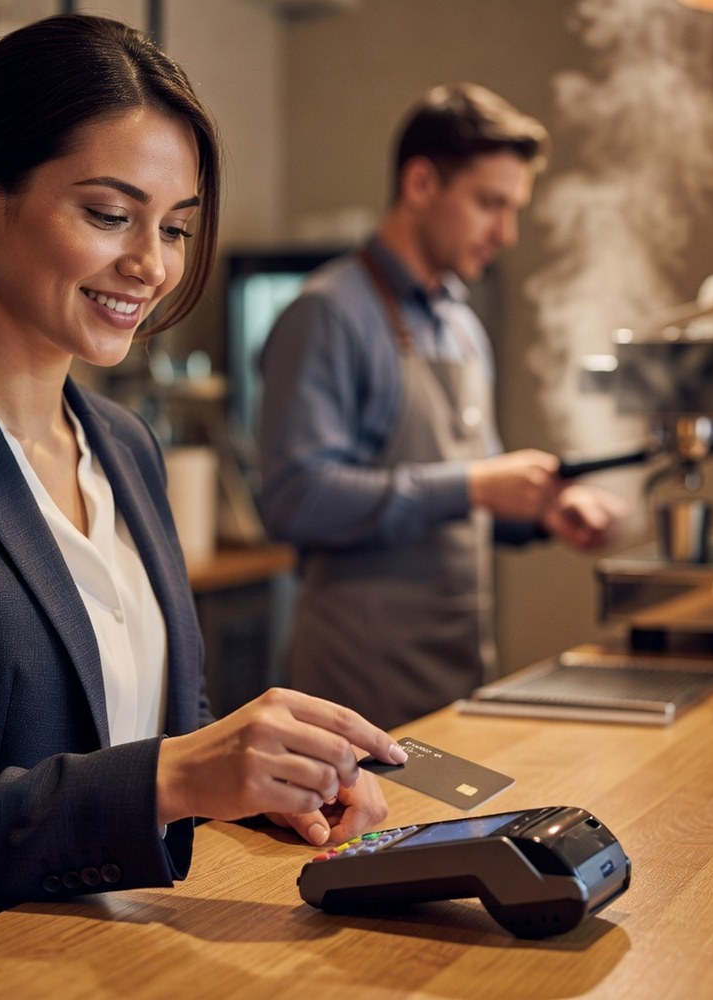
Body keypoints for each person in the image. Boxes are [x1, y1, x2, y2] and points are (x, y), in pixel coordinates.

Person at [0, 15, 406, 993]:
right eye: (110, 214)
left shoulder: (125, 446)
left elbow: (140, 732)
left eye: (176, 226)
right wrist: (184, 773)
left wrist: (266, 789)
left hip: (116, 957)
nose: (152, 262)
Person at [255, 83, 625, 729]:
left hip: (456, 682)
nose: (505, 233)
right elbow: (294, 498)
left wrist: (544, 510)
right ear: (421, 183)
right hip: (356, 697)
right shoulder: (328, 313)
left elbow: (469, 496)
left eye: (514, 209)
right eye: (489, 204)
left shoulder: (460, 327)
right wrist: (476, 483)